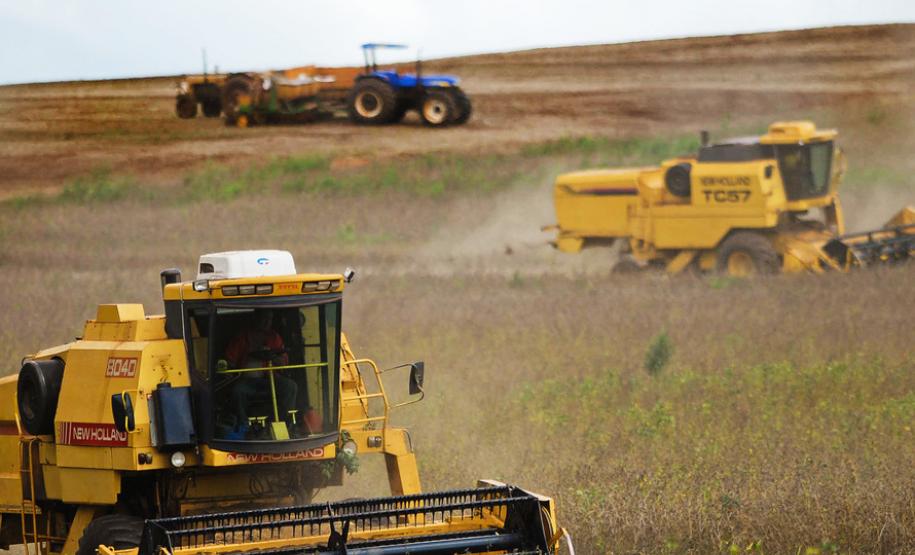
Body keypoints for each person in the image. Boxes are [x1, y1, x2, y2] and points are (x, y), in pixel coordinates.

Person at [224, 309, 297, 437]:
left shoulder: (275, 337)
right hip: (247, 380)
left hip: (270, 379)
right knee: (237, 391)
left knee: (291, 387)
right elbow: (230, 360)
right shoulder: (243, 337)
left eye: (269, 319)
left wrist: (273, 358)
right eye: (264, 319)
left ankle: (280, 421)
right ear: (255, 319)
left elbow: (284, 360)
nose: (266, 322)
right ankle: (244, 426)